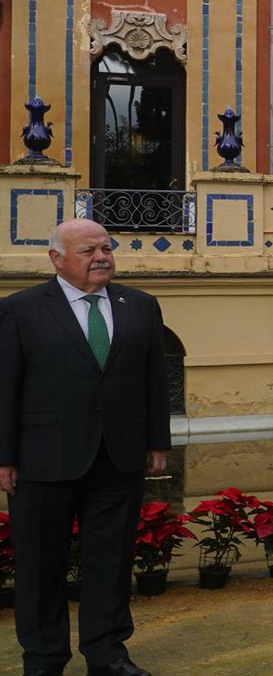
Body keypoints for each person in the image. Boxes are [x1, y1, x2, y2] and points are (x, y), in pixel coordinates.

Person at [0, 218, 170, 676]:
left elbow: (156, 379)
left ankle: (108, 653)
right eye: (88, 251)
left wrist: (157, 442)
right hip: (42, 459)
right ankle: (43, 658)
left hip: (119, 455)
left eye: (106, 248)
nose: (101, 257)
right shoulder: (20, 309)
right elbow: (5, 387)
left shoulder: (140, 305)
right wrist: (4, 457)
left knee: (111, 563)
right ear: (57, 259)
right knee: (39, 567)